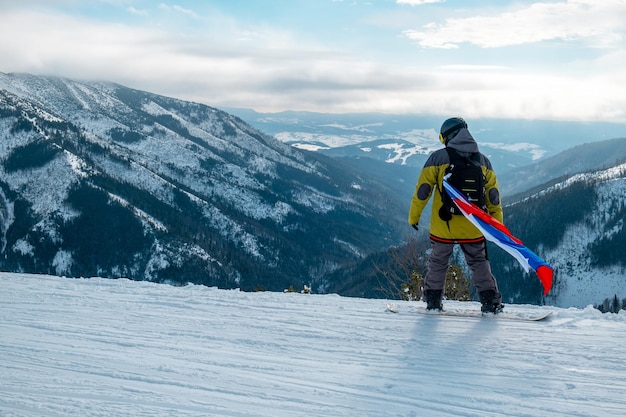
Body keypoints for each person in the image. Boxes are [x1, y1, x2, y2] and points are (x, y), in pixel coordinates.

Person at [408, 117, 504, 313]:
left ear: (447, 136)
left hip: (444, 225)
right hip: (473, 225)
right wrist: (497, 226)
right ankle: (490, 302)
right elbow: (493, 198)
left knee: (437, 262)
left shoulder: (438, 158)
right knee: (478, 263)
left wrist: (414, 217)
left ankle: (433, 302)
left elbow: (423, 191)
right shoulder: (483, 161)